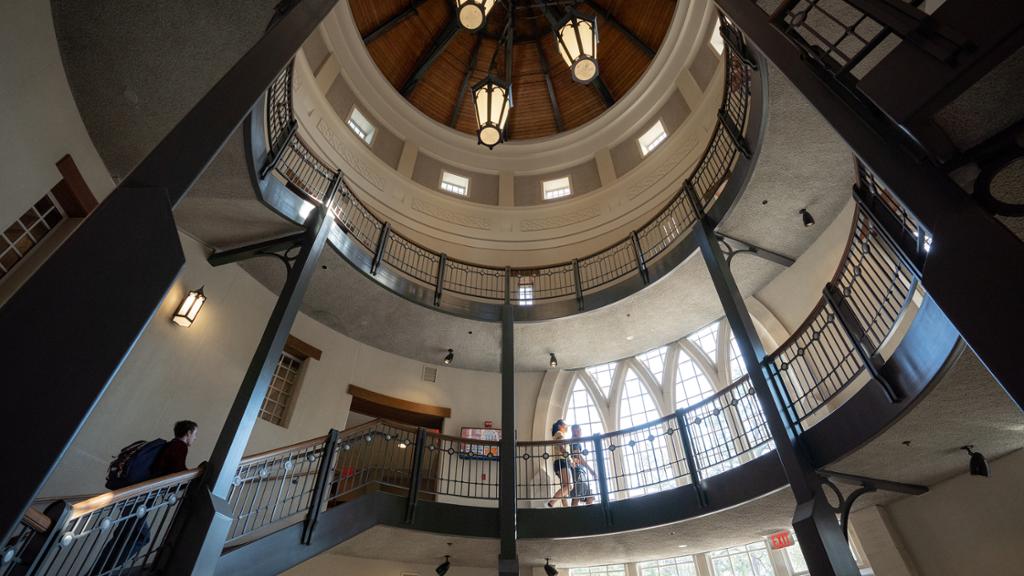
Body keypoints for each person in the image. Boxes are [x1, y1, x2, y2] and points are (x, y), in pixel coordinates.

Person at [93, 420, 198, 574]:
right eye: (195, 434)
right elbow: (175, 472)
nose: (195, 438)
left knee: (124, 537)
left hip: (135, 493)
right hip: (140, 496)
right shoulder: (179, 446)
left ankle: (100, 571)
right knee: (139, 536)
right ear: (188, 433)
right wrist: (194, 476)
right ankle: (103, 572)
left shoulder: (169, 445)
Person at [546, 419, 573, 508]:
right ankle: (551, 503)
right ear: (560, 426)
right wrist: (569, 459)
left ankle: (566, 507)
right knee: (569, 486)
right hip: (562, 461)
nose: (567, 426)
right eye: (565, 425)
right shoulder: (559, 433)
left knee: (565, 486)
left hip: (559, 462)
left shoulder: (558, 434)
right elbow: (560, 446)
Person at [568, 424, 596, 506]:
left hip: (579, 470)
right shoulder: (574, 441)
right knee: (577, 494)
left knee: (590, 496)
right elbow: (578, 456)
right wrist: (591, 470)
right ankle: (573, 516)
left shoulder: (574, 442)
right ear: (575, 431)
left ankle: (588, 516)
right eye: (579, 430)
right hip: (577, 470)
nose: (581, 432)